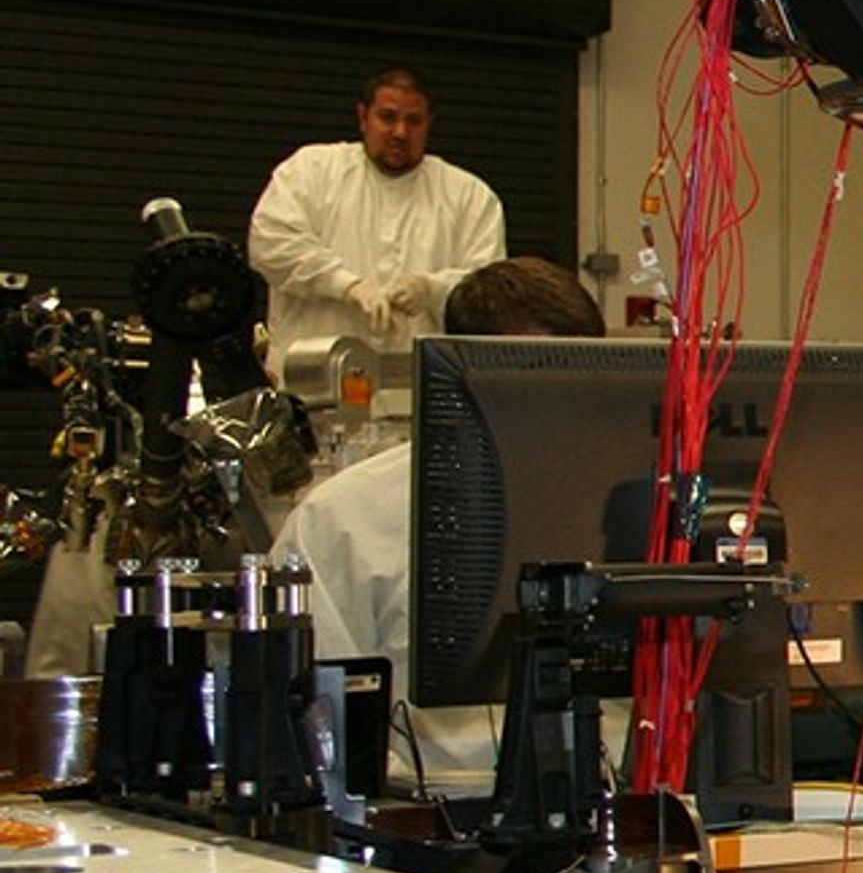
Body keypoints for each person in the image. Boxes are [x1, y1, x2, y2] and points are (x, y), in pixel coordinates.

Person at [273, 256, 603, 792]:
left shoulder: (639, 506)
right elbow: (318, 718)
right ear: (457, 375)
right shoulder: (345, 519)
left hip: (612, 807)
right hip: (427, 818)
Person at [249, 67, 507, 362]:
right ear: (363, 117)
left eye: (414, 121)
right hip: (313, 382)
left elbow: (489, 289)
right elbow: (271, 244)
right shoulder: (310, 171)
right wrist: (346, 285)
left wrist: (432, 290)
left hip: (418, 387)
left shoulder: (469, 197)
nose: (400, 132)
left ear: (429, 124)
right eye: (388, 117)